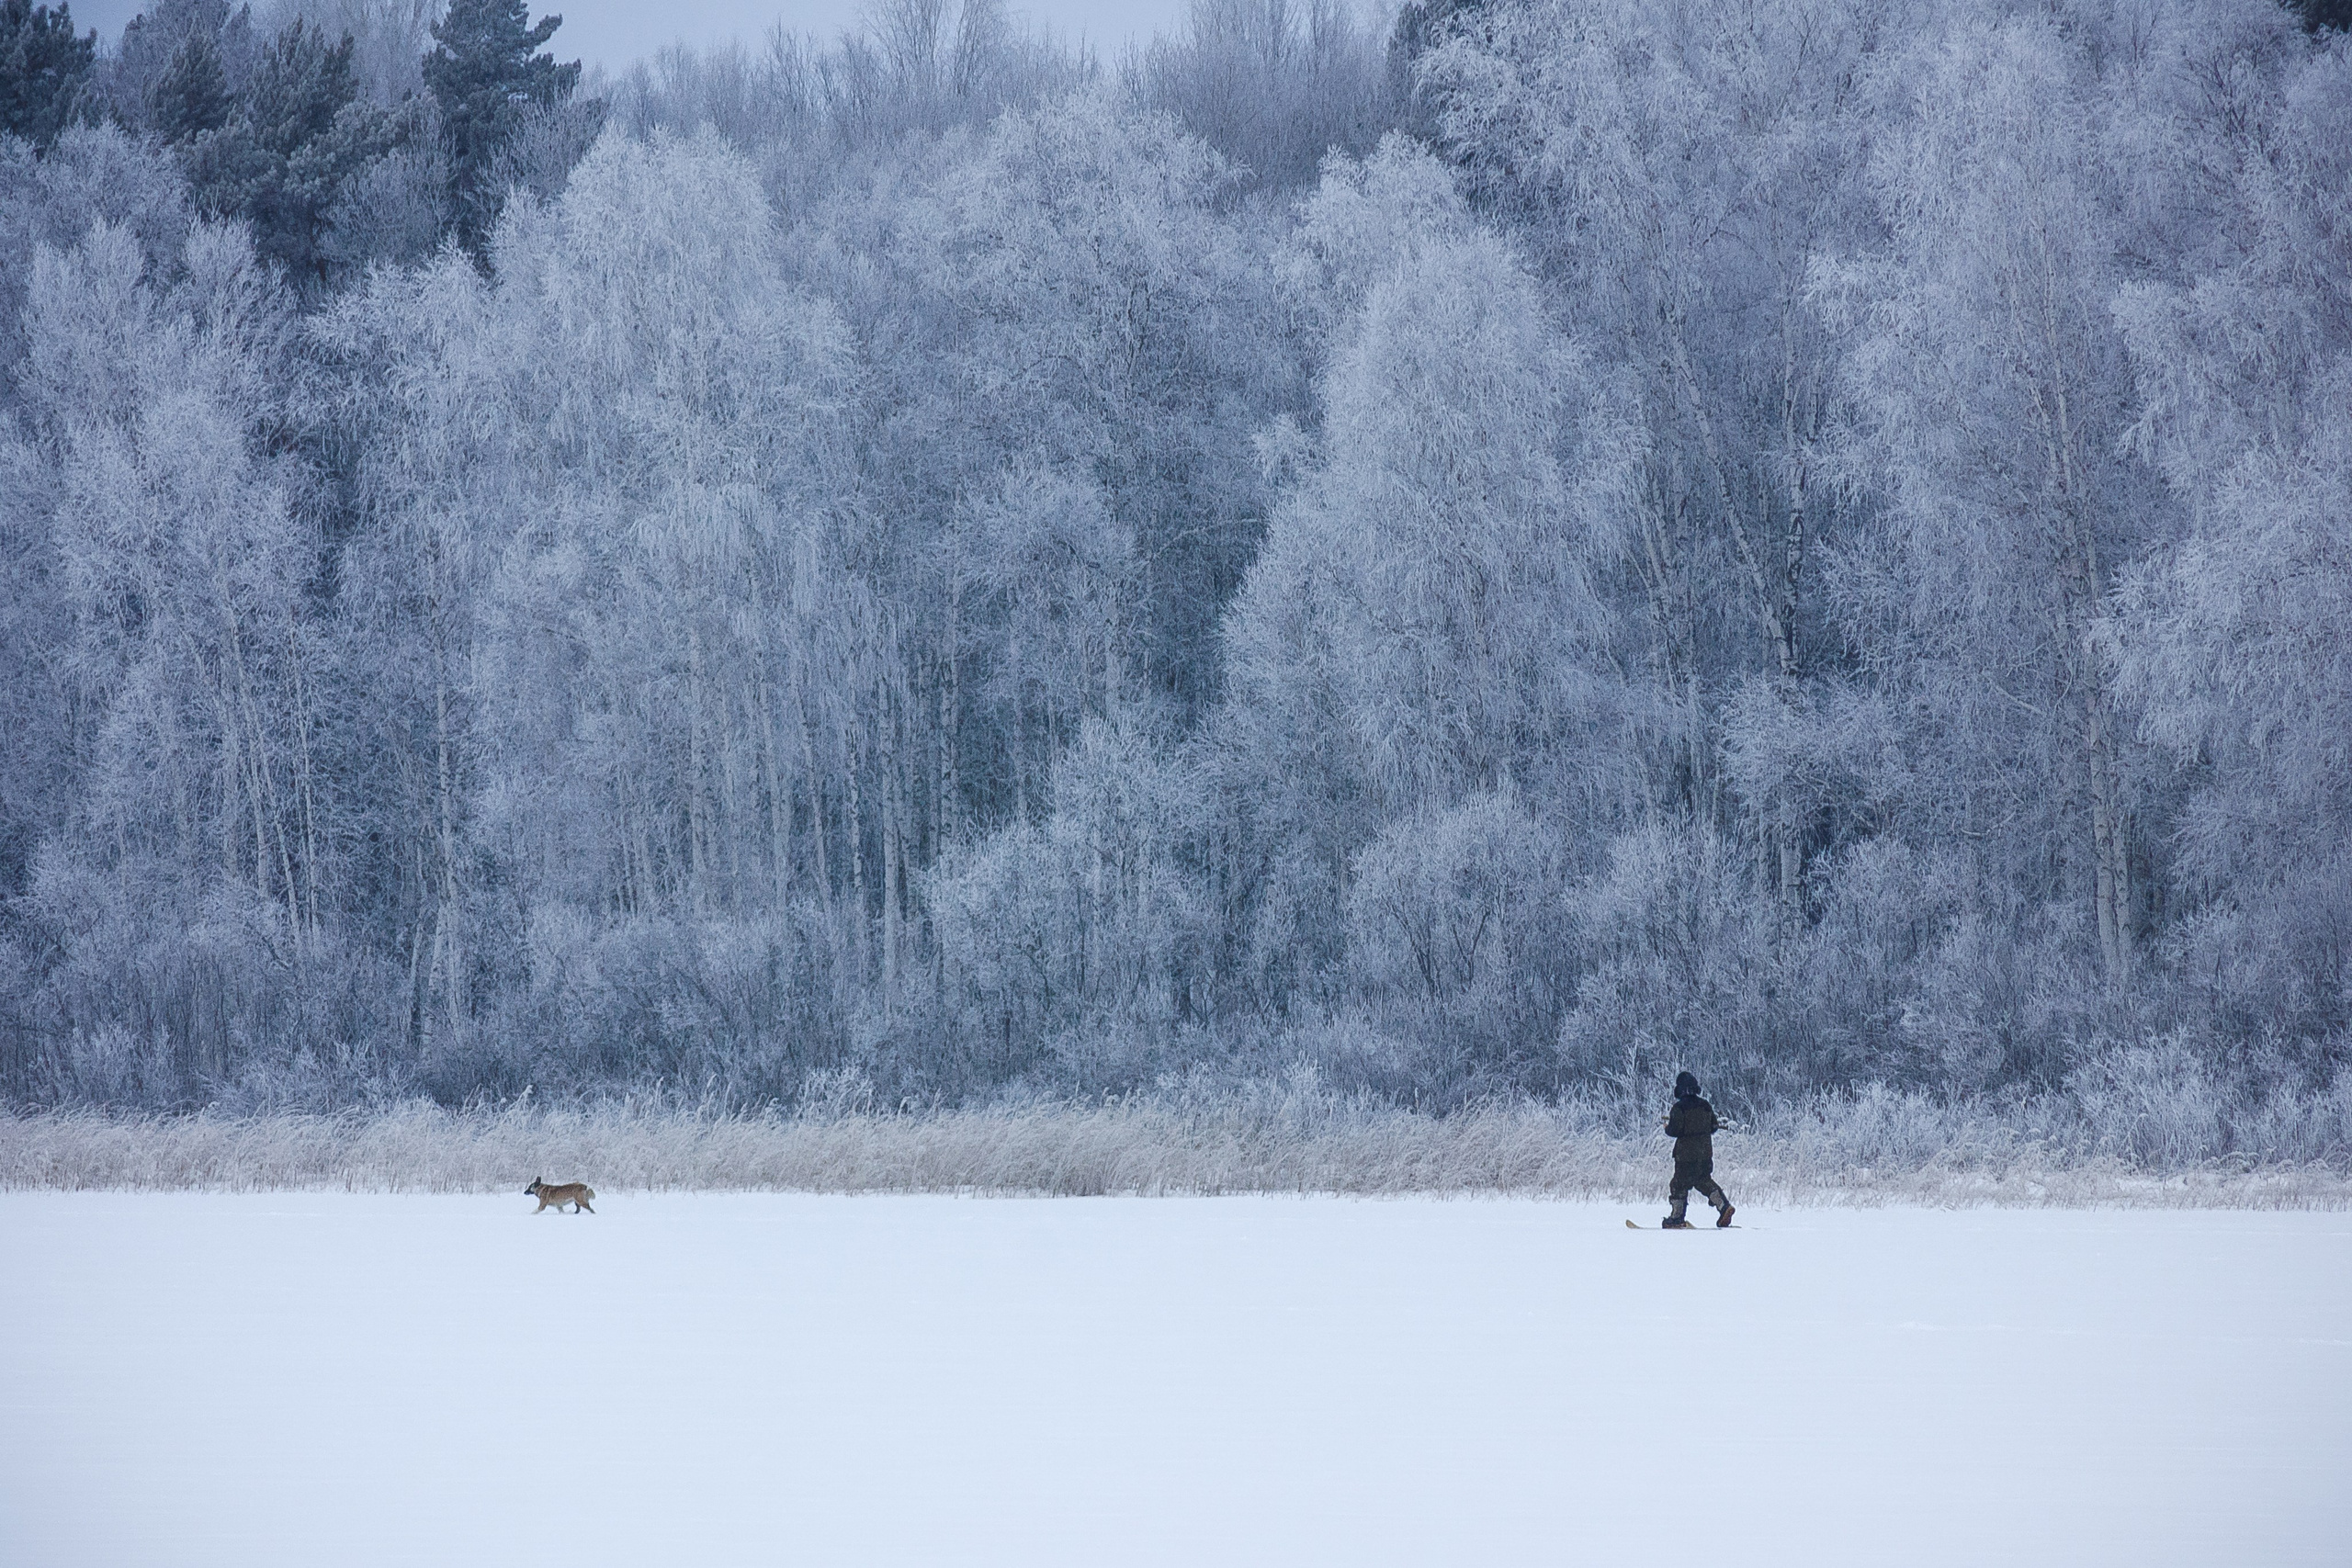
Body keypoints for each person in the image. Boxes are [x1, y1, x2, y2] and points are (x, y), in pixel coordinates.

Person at [1661, 1070, 1735, 1228]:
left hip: (1686, 1156)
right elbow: (1714, 1126)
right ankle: (1724, 1207)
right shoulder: (1705, 1106)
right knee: (1704, 1181)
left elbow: (1675, 1130)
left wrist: (1667, 1128)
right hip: (1705, 1154)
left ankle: (1677, 1218)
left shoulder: (1679, 1108)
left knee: (1678, 1184)